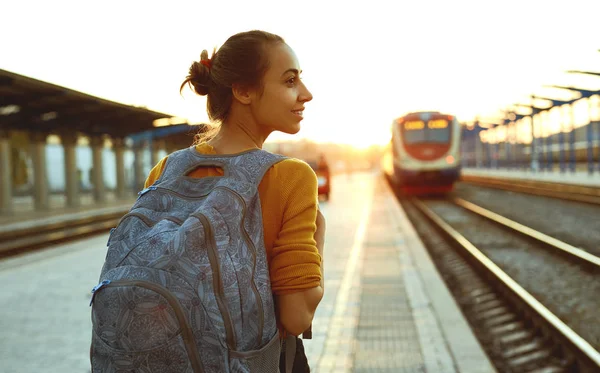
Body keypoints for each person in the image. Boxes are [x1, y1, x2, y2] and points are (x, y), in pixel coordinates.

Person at [144, 30, 325, 371]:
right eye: (290, 81)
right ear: (242, 91)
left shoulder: (165, 171)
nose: (306, 94)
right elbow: (297, 316)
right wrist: (321, 235)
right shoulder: (290, 176)